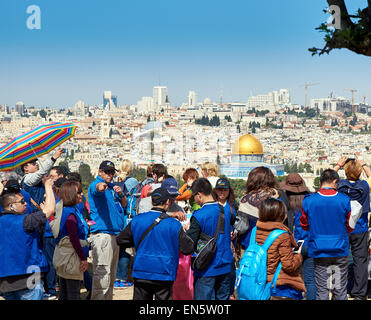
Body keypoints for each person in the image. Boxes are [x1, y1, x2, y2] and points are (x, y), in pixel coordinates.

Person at [116, 187, 194, 300]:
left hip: (141, 270)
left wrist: (138, 242)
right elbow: (188, 248)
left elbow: (120, 240)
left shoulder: (137, 220)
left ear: (152, 201)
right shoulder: (174, 224)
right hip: (164, 271)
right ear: (167, 202)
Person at [300, 169, 353, 300]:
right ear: (335, 182)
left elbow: (304, 225)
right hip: (339, 249)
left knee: (322, 290)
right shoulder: (344, 200)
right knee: (340, 289)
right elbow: (349, 225)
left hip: (319, 250)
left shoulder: (309, 201)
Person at [0, 177, 55, 300]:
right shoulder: (25, 221)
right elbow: (50, 209)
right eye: (22, 201)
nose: (26, 203)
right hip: (29, 278)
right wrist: (48, 186)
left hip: (6, 282)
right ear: (12, 206)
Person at [187, 178, 234, 300]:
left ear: (199, 195)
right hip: (225, 265)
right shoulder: (226, 211)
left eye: (194, 197)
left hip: (206, 268)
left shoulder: (198, 215)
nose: (194, 200)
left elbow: (189, 244)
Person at [88, 160, 127, 300]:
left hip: (114, 234)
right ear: (100, 172)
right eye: (107, 172)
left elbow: (124, 205)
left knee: (110, 276)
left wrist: (121, 194)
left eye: (111, 172)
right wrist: (101, 186)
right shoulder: (97, 185)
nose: (110, 175)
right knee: (102, 274)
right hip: (103, 234)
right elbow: (95, 188)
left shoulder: (112, 188)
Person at [334, 156, 370, 300]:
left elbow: (327, 178)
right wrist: (364, 164)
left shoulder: (339, 185)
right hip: (359, 228)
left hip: (342, 228)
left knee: (338, 259)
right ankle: (360, 293)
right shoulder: (364, 186)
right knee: (360, 261)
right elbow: (370, 175)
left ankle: (338, 291)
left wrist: (338, 165)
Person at [256, 197, 306, 300]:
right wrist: (299, 256)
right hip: (277, 285)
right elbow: (288, 265)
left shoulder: (255, 230)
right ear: (279, 215)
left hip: (258, 281)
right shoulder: (282, 235)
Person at [279, 173, 315, 300]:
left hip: (291, 244)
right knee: (310, 280)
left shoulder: (282, 201)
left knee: (291, 279)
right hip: (309, 242)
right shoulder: (310, 199)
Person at [54, 180, 89, 300]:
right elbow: (73, 239)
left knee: (64, 292)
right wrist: (83, 258)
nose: (81, 194)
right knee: (73, 293)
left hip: (63, 256)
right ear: (71, 194)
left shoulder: (63, 210)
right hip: (71, 257)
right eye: (79, 192)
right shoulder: (71, 215)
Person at [235, 167, 281, 253]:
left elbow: (241, 227)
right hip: (274, 245)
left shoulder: (246, 200)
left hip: (250, 247)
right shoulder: (279, 196)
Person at [212, 178, 237, 300]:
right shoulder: (212, 205)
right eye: (219, 189)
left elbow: (237, 223)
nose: (222, 192)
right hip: (214, 248)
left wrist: (235, 232)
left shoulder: (232, 206)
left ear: (229, 191)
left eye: (225, 190)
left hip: (229, 247)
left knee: (229, 275)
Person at [20, 148, 65, 212]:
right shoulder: (28, 178)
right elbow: (41, 172)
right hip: (36, 212)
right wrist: (53, 158)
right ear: (26, 168)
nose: (36, 164)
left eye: (36, 163)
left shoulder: (29, 179)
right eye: (33, 164)